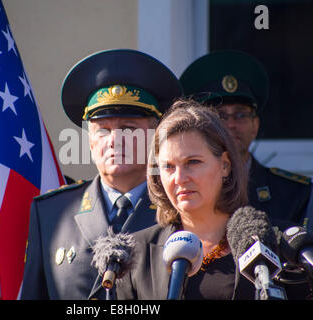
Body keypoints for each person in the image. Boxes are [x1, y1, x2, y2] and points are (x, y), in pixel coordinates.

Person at [20, 49, 183, 299]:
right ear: (89, 140)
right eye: (103, 130)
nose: (115, 141)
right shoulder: (51, 212)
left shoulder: (180, 208)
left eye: (129, 129)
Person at [116, 100, 308, 300]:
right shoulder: (136, 252)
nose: (180, 178)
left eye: (193, 162)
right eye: (169, 167)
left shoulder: (281, 244)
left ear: (225, 165)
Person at [179, 50, 312, 228]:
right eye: (219, 115)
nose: (231, 124)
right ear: (201, 127)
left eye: (240, 115)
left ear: (255, 125)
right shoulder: (184, 190)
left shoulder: (295, 194)